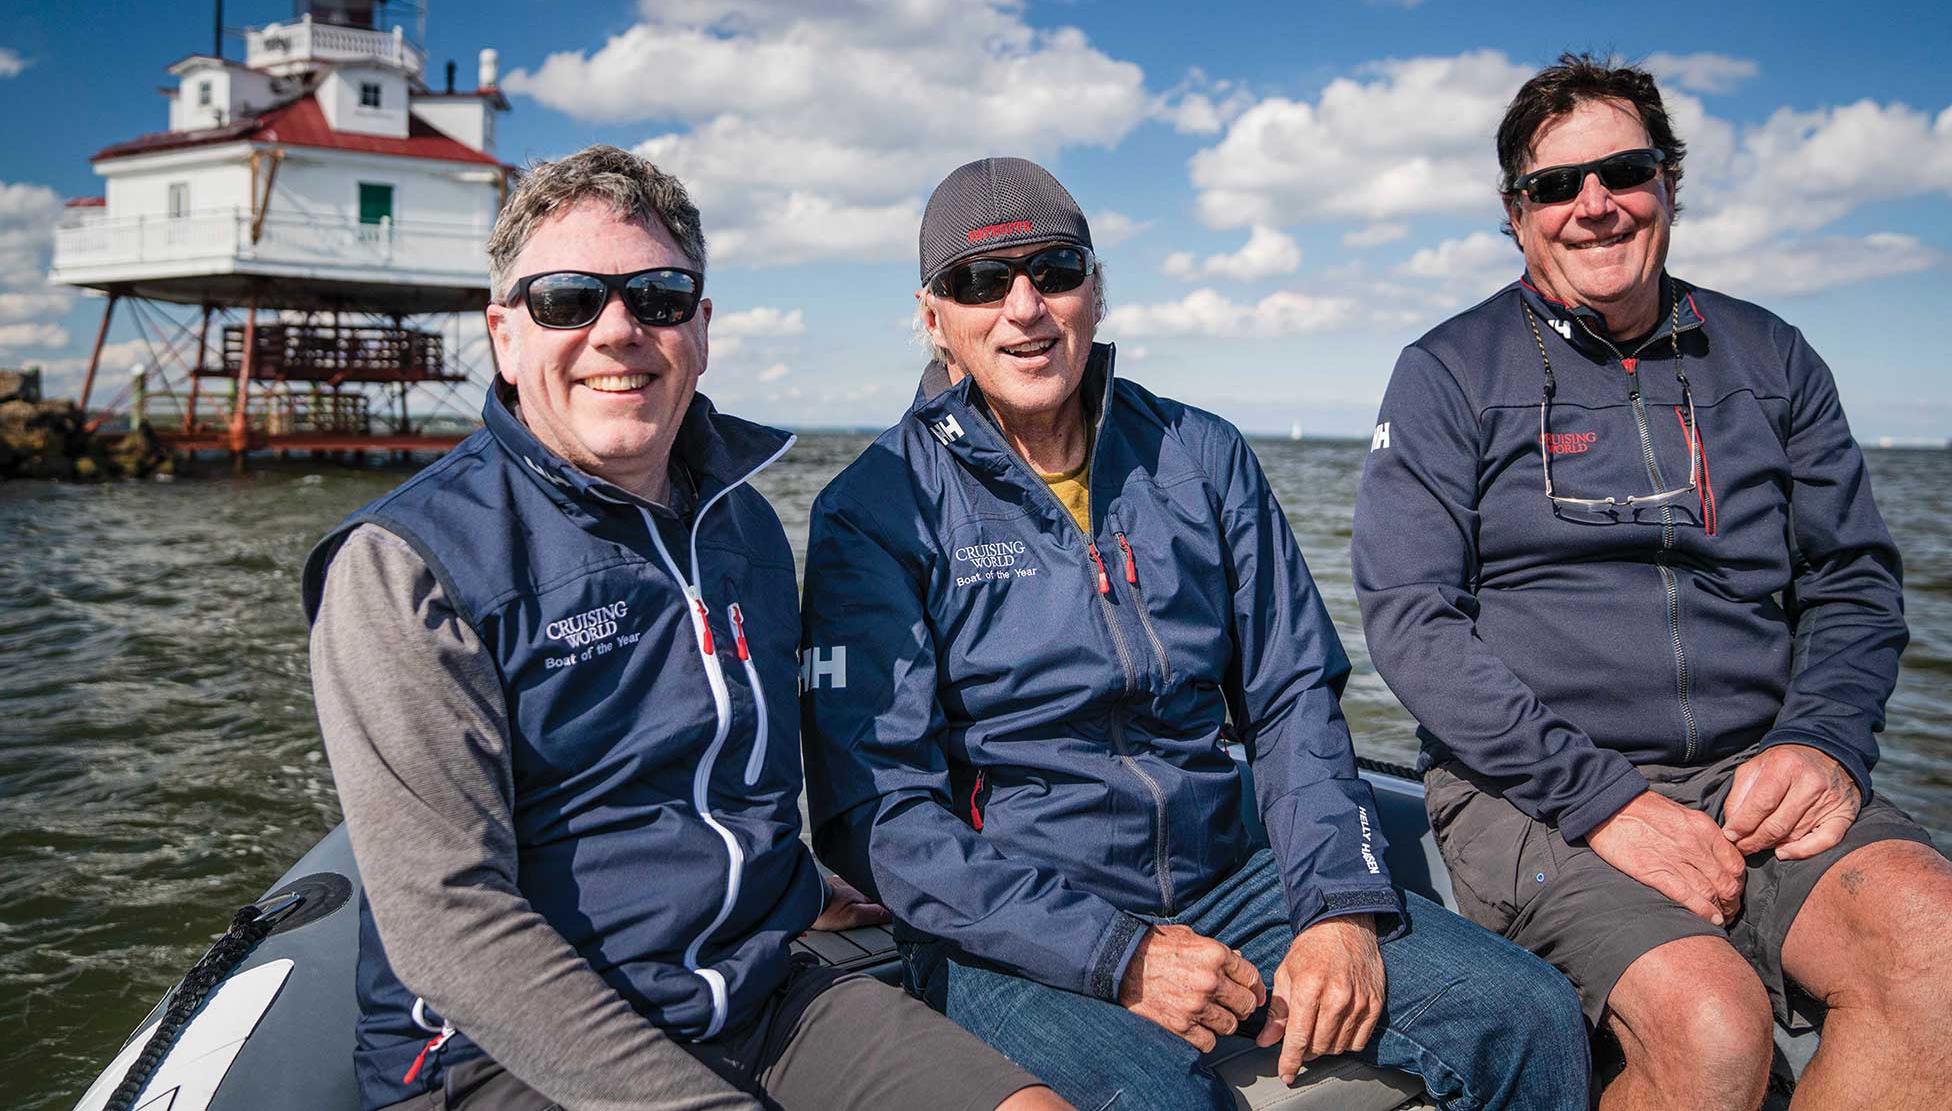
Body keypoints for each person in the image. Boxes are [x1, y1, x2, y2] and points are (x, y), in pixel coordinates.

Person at [798, 156, 1590, 1111]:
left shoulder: (1199, 454)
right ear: (935, 318)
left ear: (1095, 290)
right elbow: (880, 815)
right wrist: (1117, 953)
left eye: (1054, 270)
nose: (1025, 308)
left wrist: (1339, 908)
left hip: (1229, 877)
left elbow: (1291, 700)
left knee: (1529, 1013)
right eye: (981, 282)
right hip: (1008, 928)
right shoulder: (875, 509)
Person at [303, 146, 1067, 1111]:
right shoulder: (407, 567)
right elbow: (449, 926)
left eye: (657, 297)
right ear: (505, 335)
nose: (617, 329)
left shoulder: (742, 526)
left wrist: (793, 884)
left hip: (756, 996)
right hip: (500, 1058)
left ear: (699, 330)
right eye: (567, 300)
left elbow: (722, 772)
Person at [1352, 54, 1952, 1111]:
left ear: (1668, 183)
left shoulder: (1770, 356)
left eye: (1623, 172)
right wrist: (1604, 801)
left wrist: (1822, 739)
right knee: (1711, 1024)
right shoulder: (1448, 370)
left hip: (1757, 769)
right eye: (1554, 185)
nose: (1593, 205)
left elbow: (1852, 579)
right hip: (1533, 790)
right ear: (1516, 214)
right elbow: (1411, 622)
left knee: (1932, 943)